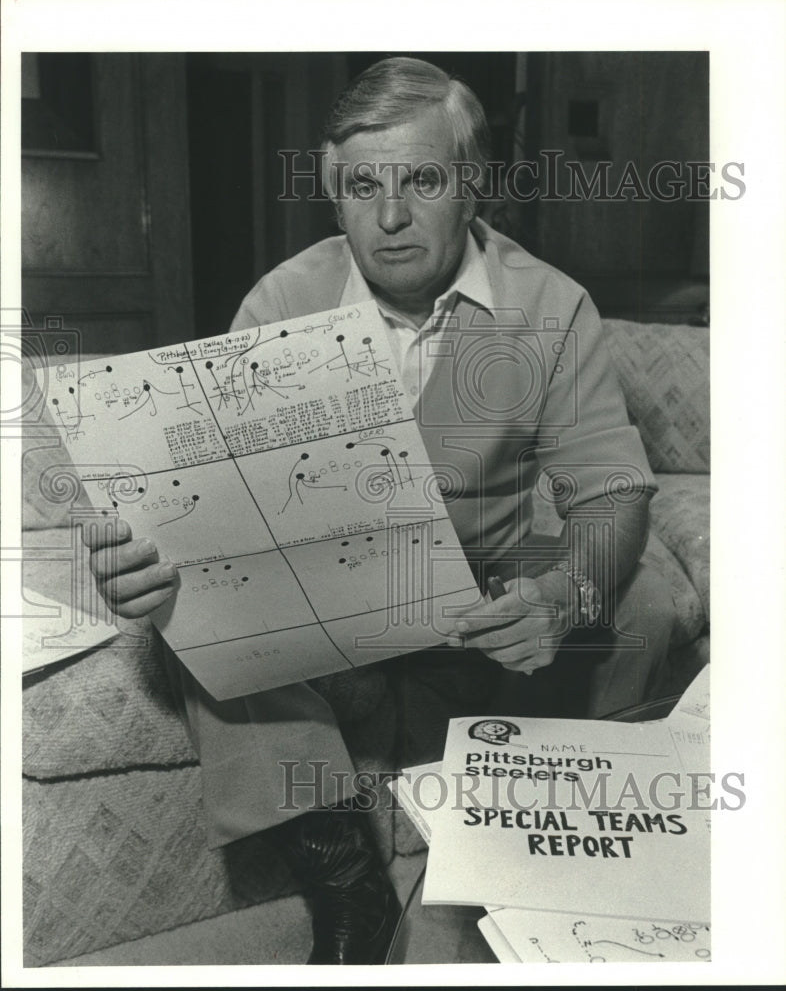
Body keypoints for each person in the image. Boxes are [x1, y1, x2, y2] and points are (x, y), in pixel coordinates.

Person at [82, 57, 675, 964]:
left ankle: (532, 869)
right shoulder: (282, 301)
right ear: (334, 197)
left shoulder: (551, 306)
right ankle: (345, 884)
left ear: (470, 186)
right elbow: (207, 500)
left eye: (422, 180)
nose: (390, 216)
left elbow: (609, 488)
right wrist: (144, 561)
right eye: (364, 185)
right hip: (331, 616)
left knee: (633, 604)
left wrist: (562, 599)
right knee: (193, 611)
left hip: (485, 611)